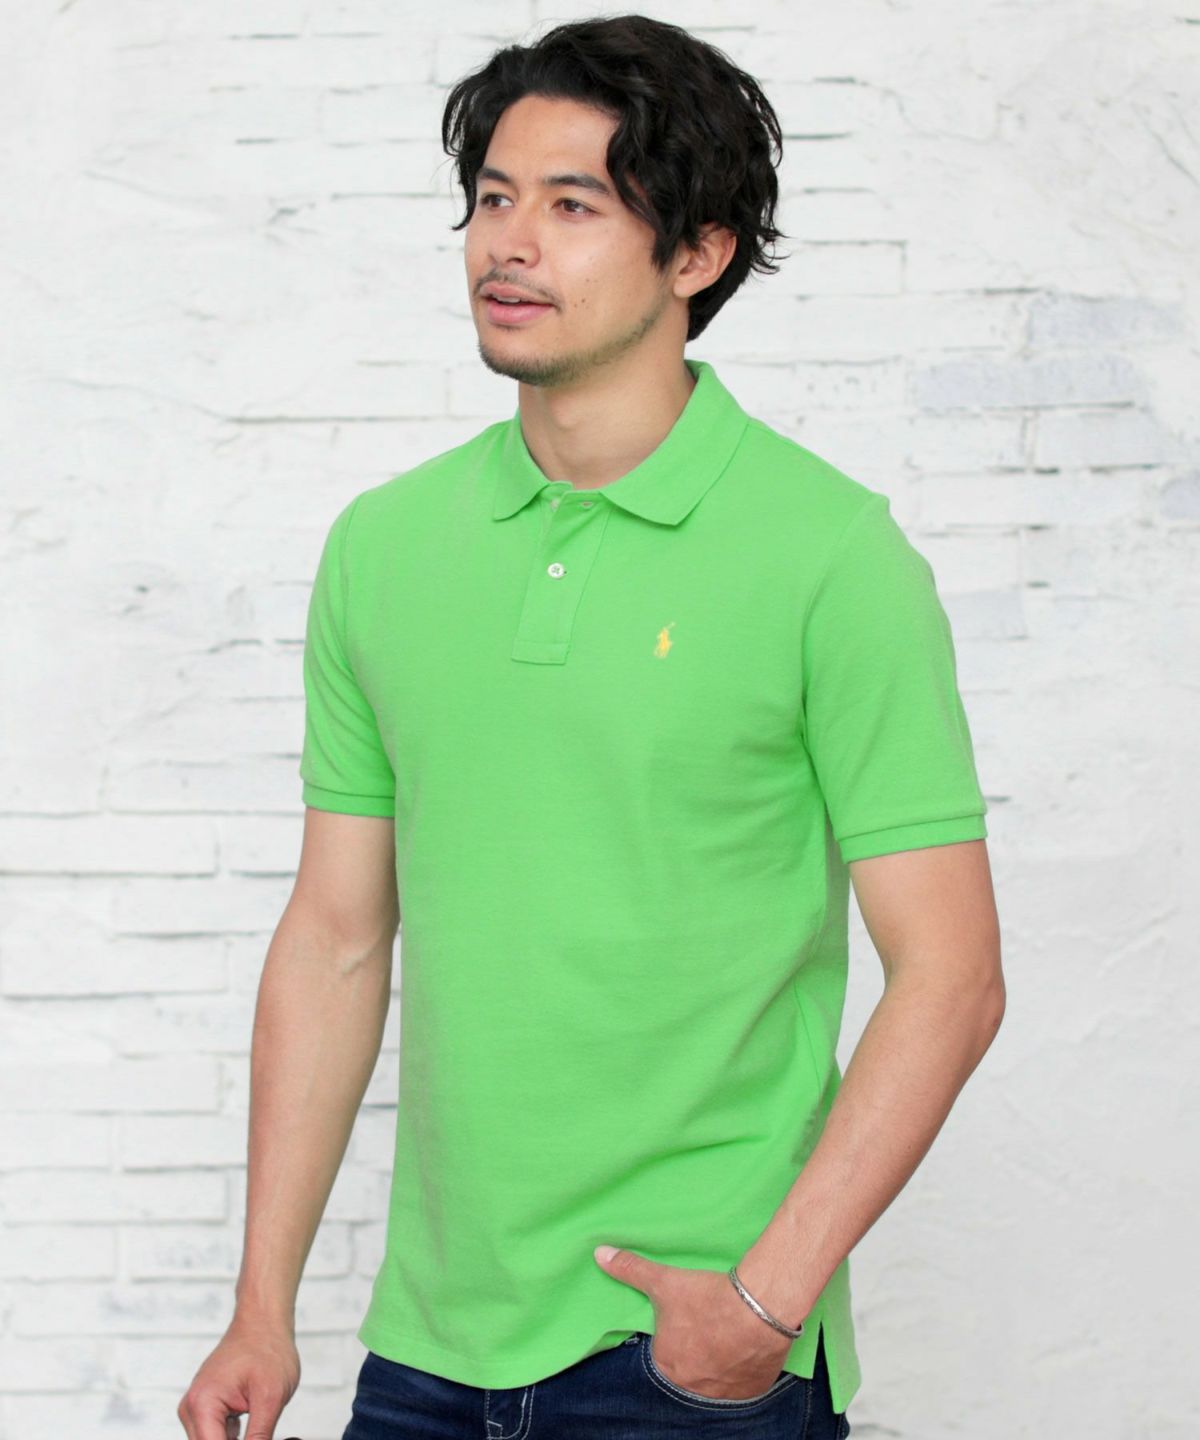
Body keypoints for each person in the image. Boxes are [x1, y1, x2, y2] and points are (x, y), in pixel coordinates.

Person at [177, 14, 1005, 1440]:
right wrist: (263, 1305)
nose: (509, 244)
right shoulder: (386, 547)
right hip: (424, 1356)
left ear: (699, 253)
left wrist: (763, 1305)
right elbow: (335, 937)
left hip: (690, 1355)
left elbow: (953, 975)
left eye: (573, 207)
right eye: (494, 198)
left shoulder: (829, 557)